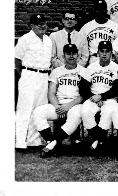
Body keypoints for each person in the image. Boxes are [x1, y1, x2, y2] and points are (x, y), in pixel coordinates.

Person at [33, 44, 86, 158]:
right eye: (68, 53)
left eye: (74, 53)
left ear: (78, 55)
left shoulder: (83, 71)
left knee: (76, 115)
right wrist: (57, 107)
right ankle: (50, 140)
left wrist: (67, 107)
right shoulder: (56, 71)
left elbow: (83, 95)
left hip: (75, 104)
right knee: (38, 112)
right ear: (63, 56)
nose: (71, 56)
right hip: (58, 104)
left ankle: (53, 144)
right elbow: (51, 93)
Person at [15, 14, 53, 150]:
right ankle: (19, 141)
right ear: (31, 26)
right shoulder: (25, 39)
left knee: (38, 109)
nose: (42, 26)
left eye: (43, 23)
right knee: (25, 109)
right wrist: (26, 74)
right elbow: (17, 60)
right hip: (29, 75)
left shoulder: (48, 40)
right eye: (38, 23)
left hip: (43, 77)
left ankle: (34, 141)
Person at [79, 41, 118, 153]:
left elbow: (116, 89)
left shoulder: (116, 68)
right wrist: (94, 97)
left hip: (109, 98)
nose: (104, 54)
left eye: (107, 51)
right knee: (85, 111)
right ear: (97, 52)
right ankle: (101, 139)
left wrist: (101, 97)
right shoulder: (91, 67)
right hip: (93, 98)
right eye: (102, 51)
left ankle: (98, 141)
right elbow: (83, 88)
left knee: (108, 112)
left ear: (111, 53)